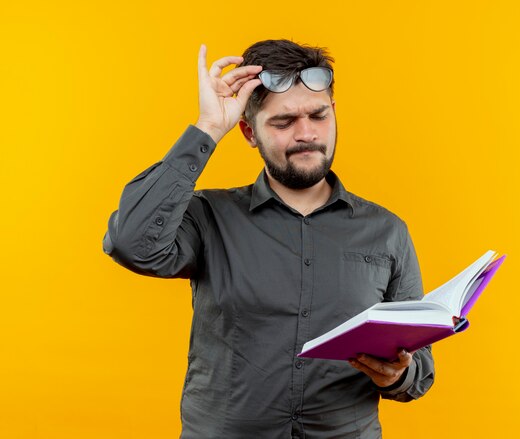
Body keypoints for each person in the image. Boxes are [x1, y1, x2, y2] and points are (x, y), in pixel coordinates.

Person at [103, 39, 435, 439]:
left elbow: (420, 374)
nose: (307, 133)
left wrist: (398, 374)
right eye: (283, 122)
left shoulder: (387, 231)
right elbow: (130, 243)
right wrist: (207, 128)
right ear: (248, 131)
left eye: (318, 114)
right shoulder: (209, 217)